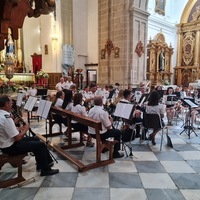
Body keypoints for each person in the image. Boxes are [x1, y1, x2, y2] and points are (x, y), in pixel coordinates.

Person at [0, 95, 59, 176]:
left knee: (35, 139)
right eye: (11, 101)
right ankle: (45, 170)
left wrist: (16, 127)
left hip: (7, 144)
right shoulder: (6, 117)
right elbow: (17, 138)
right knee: (41, 145)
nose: (12, 103)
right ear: (6, 104)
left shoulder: (2, 115)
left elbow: (7, 131)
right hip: (11, 147)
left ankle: (42, 164)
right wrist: (25, 129)